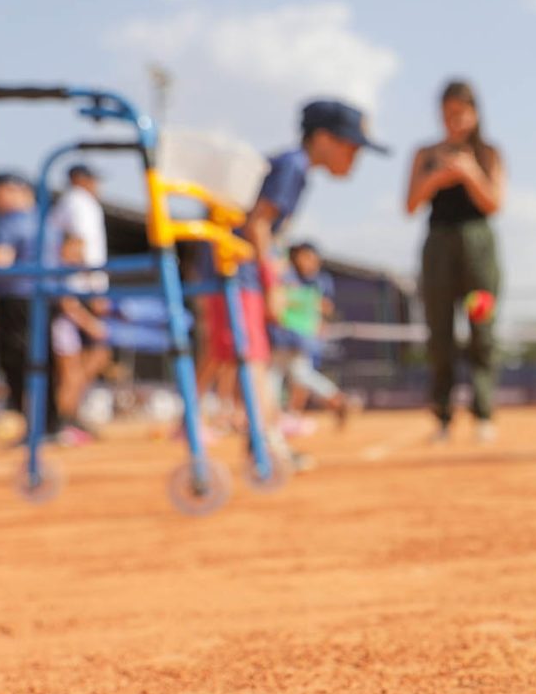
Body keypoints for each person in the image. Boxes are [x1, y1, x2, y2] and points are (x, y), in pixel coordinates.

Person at [209, 98, 386, 444]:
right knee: (253, 358)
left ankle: (266, 441)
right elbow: (258, 225)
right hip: (234, 271)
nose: (355, 158)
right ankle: (266, 444)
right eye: (350, 147)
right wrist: (273, 286)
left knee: (256, 358)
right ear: (322, 139)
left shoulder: (295, 168)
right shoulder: (293, 166)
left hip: (238, 270)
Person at [405, 80, 506, 443]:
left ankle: (483, 414)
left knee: (483, 330)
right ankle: (443, 417)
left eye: (462, 112)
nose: (455, 120)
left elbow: (495, 203)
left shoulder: (488, 153)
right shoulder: (426, 153)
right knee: (440, 333)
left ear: (475, 113)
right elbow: (410, 204)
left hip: (478, 245)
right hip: (438, 244)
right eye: (449, 113)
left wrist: (469, 173)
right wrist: (436, 177)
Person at [0, 172, 60, 440]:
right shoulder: (47, 221)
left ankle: (29, 421)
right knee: (43, 359)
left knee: (16, 360)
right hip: (45, 297)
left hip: (16, 298)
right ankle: (49, 423)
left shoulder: (10, 223)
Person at [44, 163, 112, 444]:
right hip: (77, 292)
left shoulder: (67, 205)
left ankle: (69, 415)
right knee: (72, 367)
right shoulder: (79, 204)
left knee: (89, 360)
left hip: (77, 291)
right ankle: (65, 419)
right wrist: (96, 291)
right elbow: (79, 245)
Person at [267, 240, 349, 428]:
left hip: (298, 337)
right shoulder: (287, 275)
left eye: (313, 259)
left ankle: (276, 417)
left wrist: (317, 317)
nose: (310, 263)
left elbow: (326, 308)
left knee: (284, 376)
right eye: (306, 257)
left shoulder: (317, 281)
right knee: (293, 375)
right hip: (284, 335)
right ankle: (331, 398)